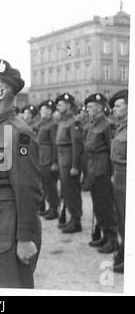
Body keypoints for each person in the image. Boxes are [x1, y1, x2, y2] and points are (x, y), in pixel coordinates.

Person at [0, 59, 42, 288]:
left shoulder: (18, 133)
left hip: (9, 228)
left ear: (2, 92)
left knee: (10, 287)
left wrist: (25, 238)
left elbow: (28, 190)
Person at [84, 93, 118, 253]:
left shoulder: (107, 125)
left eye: (90, 107)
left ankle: (112, 238)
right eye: (88, 107)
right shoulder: (93, 124)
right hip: (92, 167)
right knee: (97, 205)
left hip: (103, 169)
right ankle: (104, 235)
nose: (87, 110)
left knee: (106, 205)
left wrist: (112, 174)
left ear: (99, 108)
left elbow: (112, 150)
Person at [55, 93, 83, 233]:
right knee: (65, 191)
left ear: (69, 105)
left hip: (69, 161)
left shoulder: (73, 122)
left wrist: (75, 166)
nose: (58, 106)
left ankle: (76, 220)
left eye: (60, 104)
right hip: (62, 160)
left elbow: (76, 146)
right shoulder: (62, 121)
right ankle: (72, 218)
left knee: (72, 191)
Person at [109, 89, 128, 274]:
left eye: (118, 105)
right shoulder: (120, 126)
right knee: (121, 217)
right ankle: (124, 251)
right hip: (118, 175)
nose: (114, 109)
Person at [37, 100, 60, 220]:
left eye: (43, 110)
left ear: (50, 112)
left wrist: (54, 162)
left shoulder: (52, 125)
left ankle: (54, 209)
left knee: (51, 186)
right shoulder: (43, 123)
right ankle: (50, 208)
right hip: (42, 158)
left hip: (48, 159)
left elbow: (55, 144)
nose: (41, 112)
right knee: (45, 186)